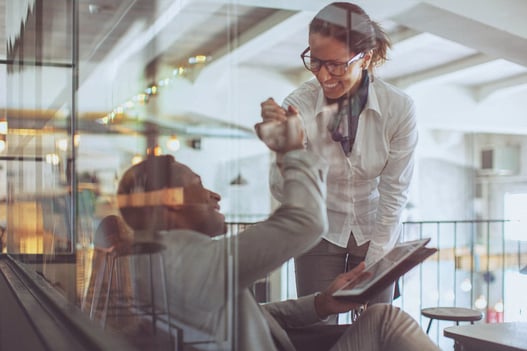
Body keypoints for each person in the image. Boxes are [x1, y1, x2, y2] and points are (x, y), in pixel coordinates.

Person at [115, 117, 437, 351]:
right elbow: (305, 221)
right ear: (172, 203)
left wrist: (321, 304)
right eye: (199, 185)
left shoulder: (165, 259)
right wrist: (294, 151)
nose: (215, 196)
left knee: (381, 318)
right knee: (385, 321)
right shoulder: (189, 262)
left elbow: (258, 315)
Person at [260, 2, 418, 312]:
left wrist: (373, 267)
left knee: (375, 324)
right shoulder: (298, 105)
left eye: (336, 64)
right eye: (315, 62)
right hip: (321, 227)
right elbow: (283, 192)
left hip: (376, 229)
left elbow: (394, 194)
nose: (322, 75)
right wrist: (284, 152)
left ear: (366, 57)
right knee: (316, 329)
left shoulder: (398, 108)